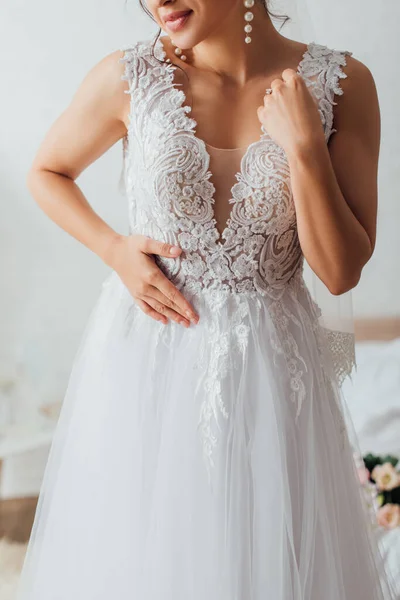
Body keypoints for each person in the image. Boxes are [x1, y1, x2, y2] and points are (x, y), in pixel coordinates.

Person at [17, 0, 396, 598]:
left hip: (274, 379)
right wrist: (114, 249)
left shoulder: (343, 85)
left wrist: (304, 149)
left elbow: (341, 270)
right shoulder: (131, 74)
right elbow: (47, 170)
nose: (157, 1)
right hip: (148, 368)